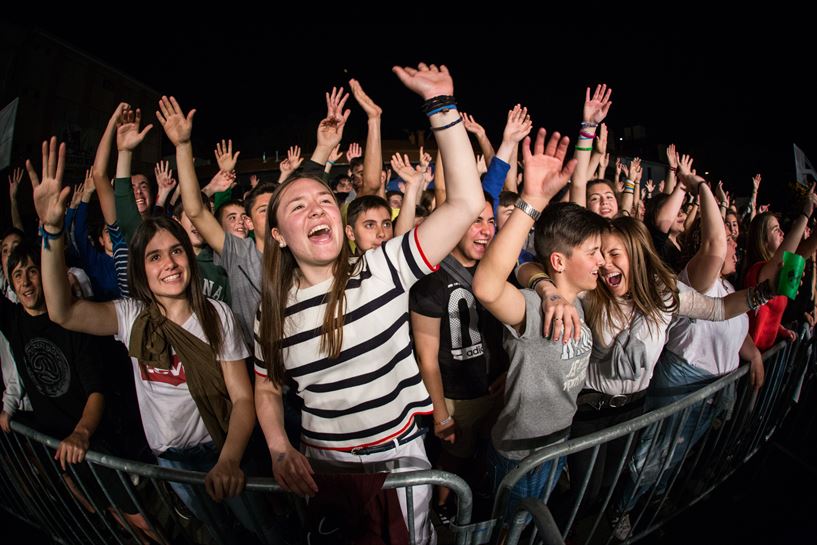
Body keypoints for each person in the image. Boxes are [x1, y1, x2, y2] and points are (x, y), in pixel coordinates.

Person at [252, 63, 486, 544]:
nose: (316, 209)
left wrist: (441, 107)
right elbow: (267, 386)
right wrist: (277, 448)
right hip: (323, 469)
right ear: (277, 236)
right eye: (298, 207)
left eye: (324, 201)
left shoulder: (382, 267)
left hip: (397, 463)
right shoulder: (271, 312)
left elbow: (464, 203)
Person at [32, 136, 262, 545]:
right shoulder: (131, 316)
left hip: (221, 448)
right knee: (214, 531)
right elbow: (61, 311)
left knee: (259, 528)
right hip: (169, 461)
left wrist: (229, 460)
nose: (169, 263)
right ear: (141, 268)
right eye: (155, 257)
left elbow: (243, 398)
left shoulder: (216, 315)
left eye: (176, 251)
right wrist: (51, 231)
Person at [472, 126, 608, 524]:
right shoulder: (535, 307)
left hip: (555, 444)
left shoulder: (577, 299)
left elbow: (567, 230)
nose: (602, 261)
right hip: (520, 454)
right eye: (594, 253)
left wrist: (586, 135)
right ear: (560, 262)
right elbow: (486, 287)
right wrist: (531, 200)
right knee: (512, 529)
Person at [410, 192, 506, 521]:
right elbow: (426, 357)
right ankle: (441, 509)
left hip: (494, 389)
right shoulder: (431, 279)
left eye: (490, 221)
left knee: (484, 454)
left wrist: (508, 373)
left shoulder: (498, 268)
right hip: (456, 397)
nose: (486, 230)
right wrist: (440, 414)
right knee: (453, 460)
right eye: (476, 221)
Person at [742, 187, 817, 351]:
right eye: (776, 230)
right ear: (763, 240)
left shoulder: (780, 267)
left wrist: (780, 329)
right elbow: (781, 260)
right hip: (748, 357)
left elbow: (802, 253)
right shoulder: (756, 270)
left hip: (765, 354)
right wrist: (805, 214)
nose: (782, 232)